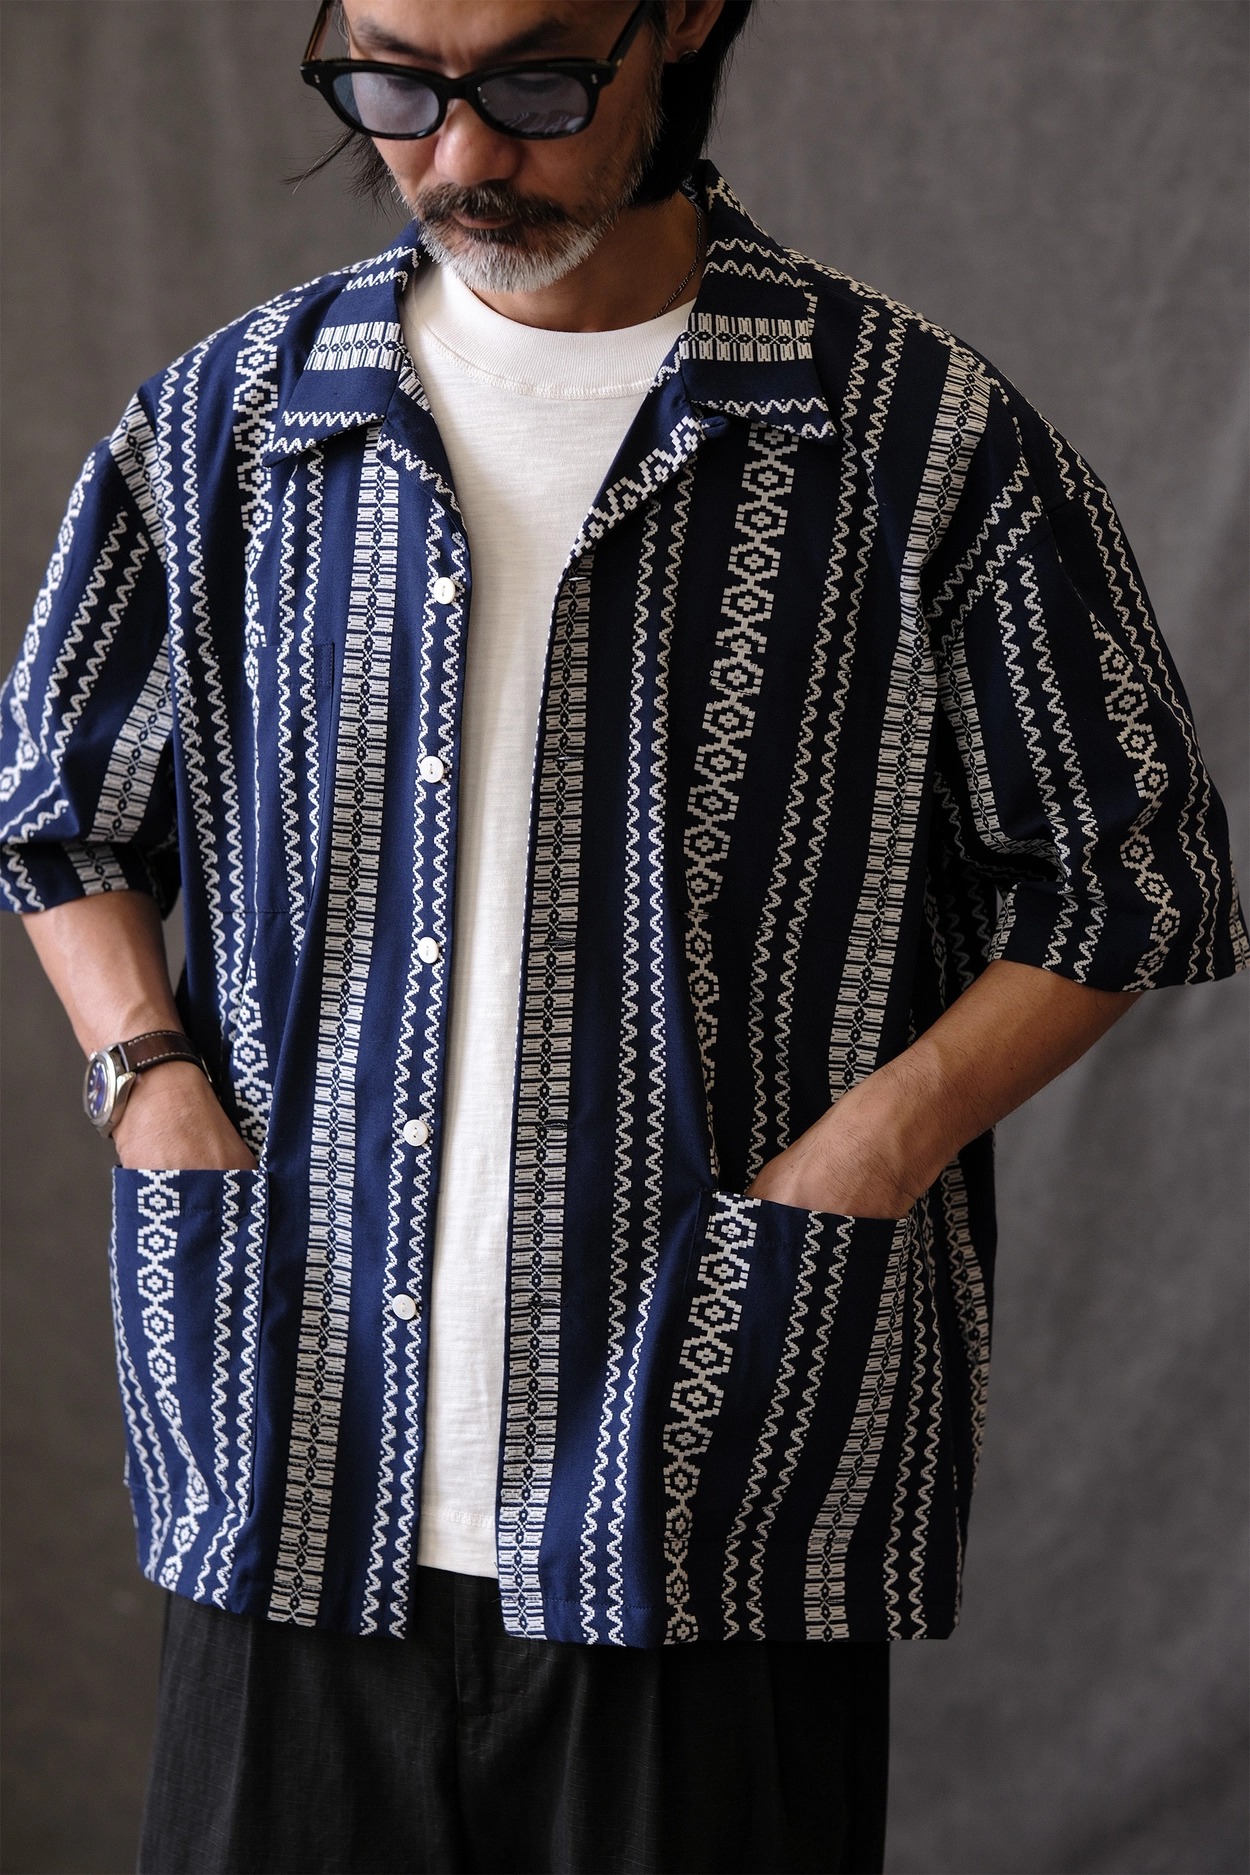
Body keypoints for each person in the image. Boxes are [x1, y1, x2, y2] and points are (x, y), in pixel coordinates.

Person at [1, 0, 1244, 1868]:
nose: (459, 155)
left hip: (715, 1473)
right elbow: (57, 800)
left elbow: (1133, 866)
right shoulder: (233, 422)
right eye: (393, 82)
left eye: (534, 81)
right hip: (290, 1449)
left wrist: (873, 1149)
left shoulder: (909, 435)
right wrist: (148, 1081)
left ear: (684, 19)